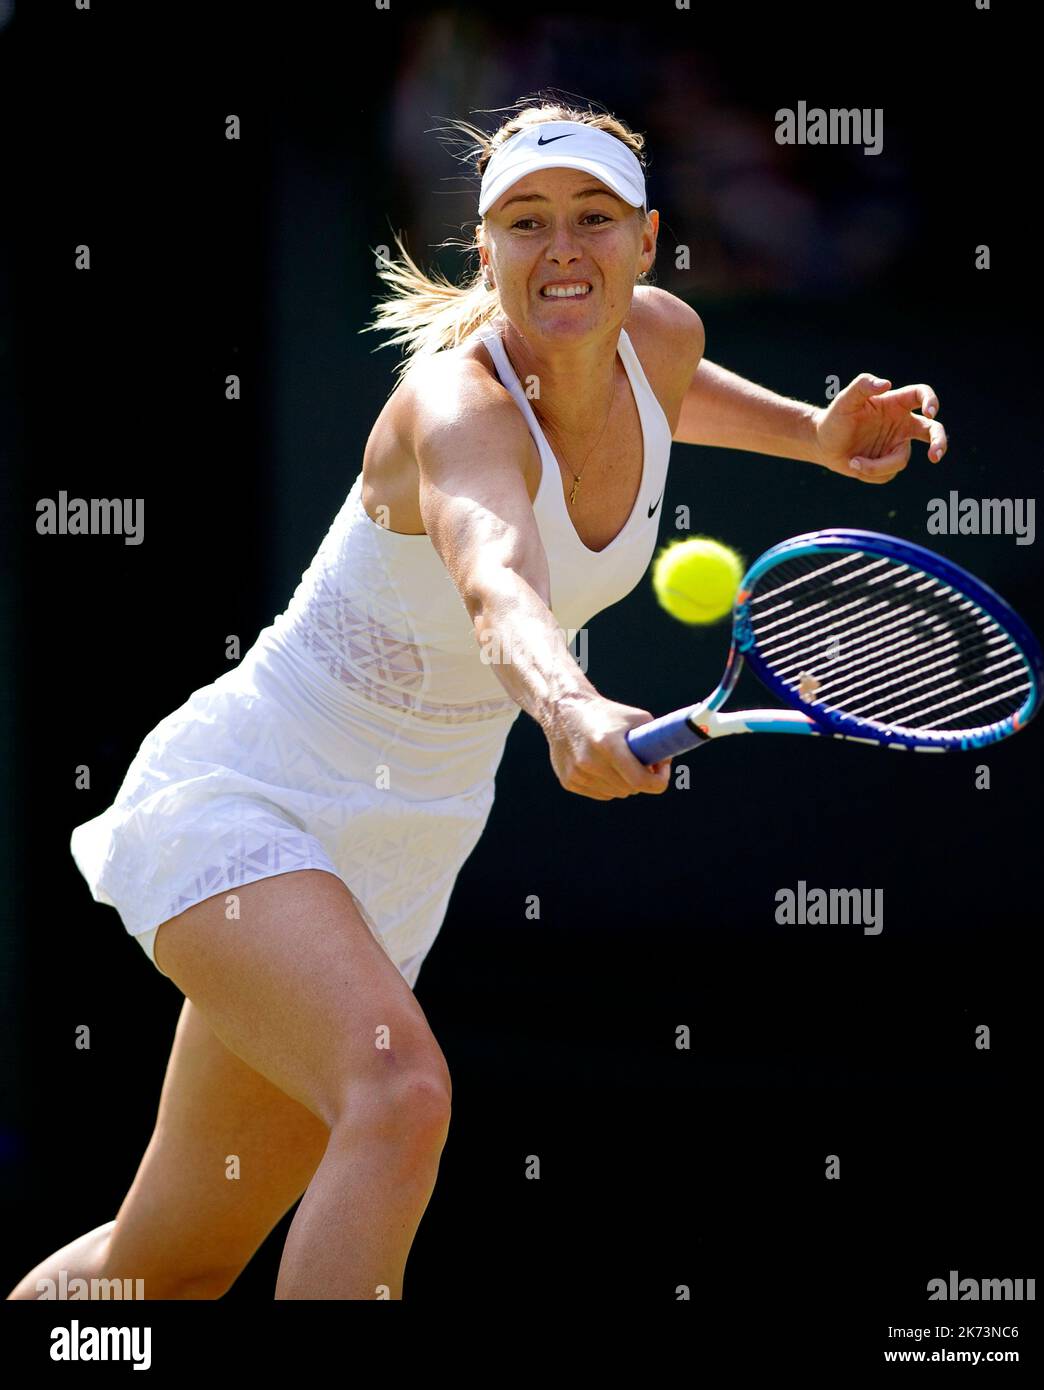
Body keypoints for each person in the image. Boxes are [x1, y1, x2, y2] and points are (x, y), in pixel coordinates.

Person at [6, 96, 947, 1302]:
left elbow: (672, 387)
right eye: (526, 222)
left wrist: (815, 436)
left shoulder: (656, 340)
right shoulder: (455, 409)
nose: (562, 248)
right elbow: (498, 584)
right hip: (248, 799)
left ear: (646, 239)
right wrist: (569, 709)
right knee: (402, 1097)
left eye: (593, 219)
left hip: (404, 850)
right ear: (487, 250)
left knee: (161, 1268)